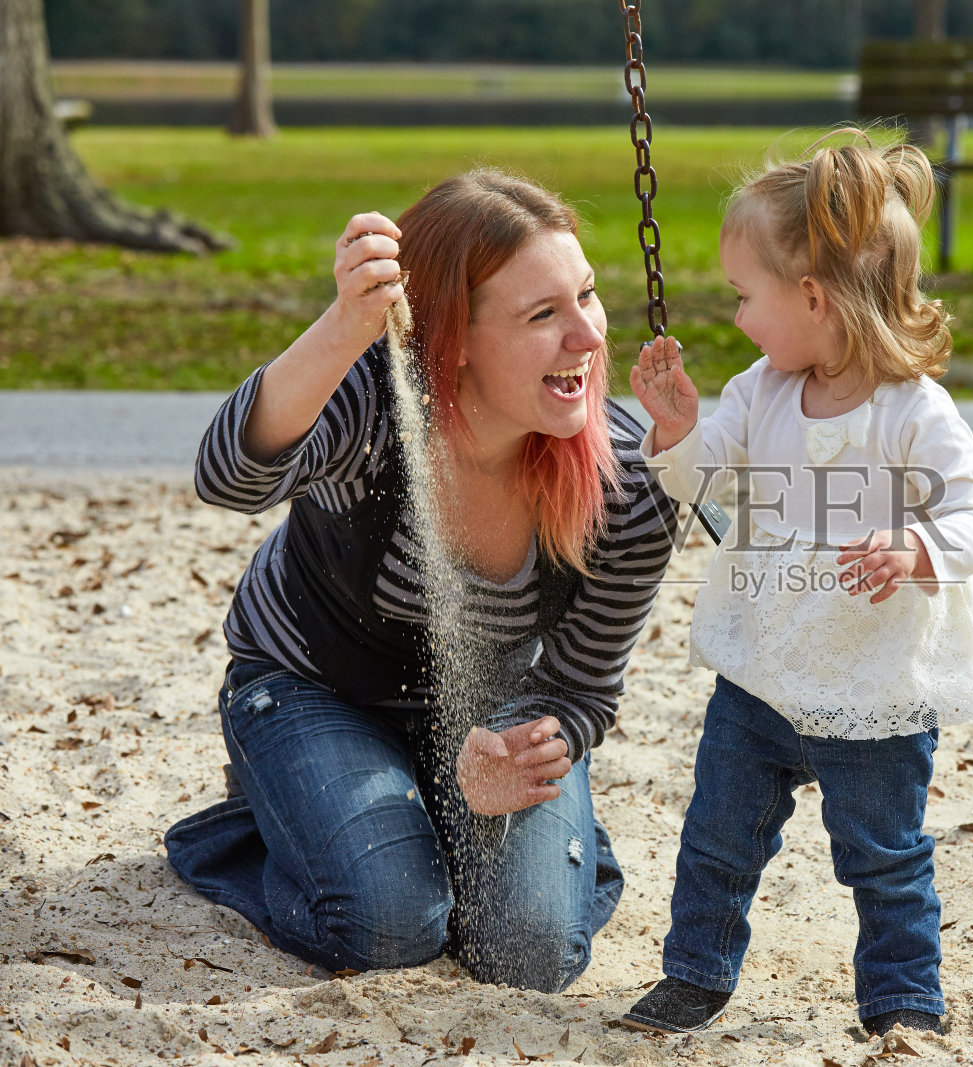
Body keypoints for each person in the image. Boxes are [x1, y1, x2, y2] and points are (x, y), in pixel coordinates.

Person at [163, 169, 676, 991]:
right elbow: (226, 479)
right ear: (456, 338)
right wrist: (343, 327)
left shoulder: (629, 484)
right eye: (543, 314)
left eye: (587, 296)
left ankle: (419, 818)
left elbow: (583, 687)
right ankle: (270, 819)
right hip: (313, 691)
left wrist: (528, 746)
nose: (587, 336)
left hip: (487, 712)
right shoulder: (376, 404)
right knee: (389, 924)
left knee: (530, 954)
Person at [623, 131, 973, 1036]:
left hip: (873, 683)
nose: (740, 318)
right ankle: (696, 973)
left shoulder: (914, 412)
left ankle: (903, 1002)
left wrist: (917, 548)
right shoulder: (761, 391)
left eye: (746, 296)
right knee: (718, 835)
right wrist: (677, 431)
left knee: (882, 854)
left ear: (815, 297)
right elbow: (697, 481)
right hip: (762, 668)